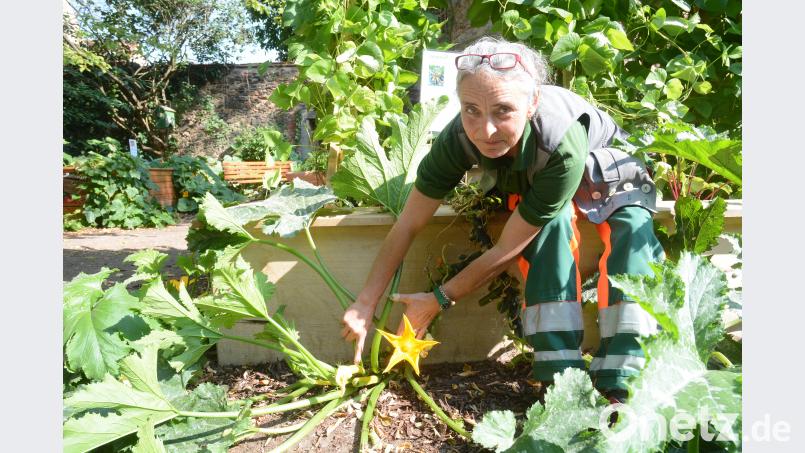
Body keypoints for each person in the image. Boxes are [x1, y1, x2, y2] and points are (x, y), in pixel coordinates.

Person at [340, 36, 664, 400]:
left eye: (503, 110)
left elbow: (505, 249)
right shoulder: (458, 138)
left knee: (633, 238)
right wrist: (365, 302)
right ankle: (559, 379)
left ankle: (624, 381)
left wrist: (439, 299)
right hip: (538, 178)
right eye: (471, 110)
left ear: (532, 103)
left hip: (606, 169)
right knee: (549, 233)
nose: (485, 130)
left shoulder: (561, 143)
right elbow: (409, 222)